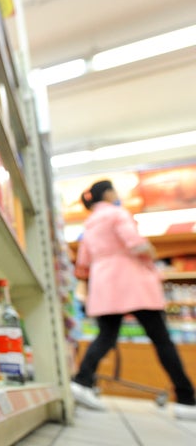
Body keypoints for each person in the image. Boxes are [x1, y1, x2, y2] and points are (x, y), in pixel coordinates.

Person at [70, 179, 196, 420]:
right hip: (131, 282)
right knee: (161, 340)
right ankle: (186, 399)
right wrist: (151, 253)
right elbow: (135, 244)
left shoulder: (90, 224)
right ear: (107, 194)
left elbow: (83, 263)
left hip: (104, 283)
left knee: (105, 336)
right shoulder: (118, 214)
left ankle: (82, 381)